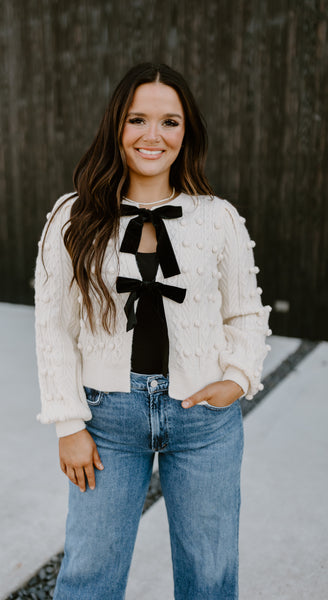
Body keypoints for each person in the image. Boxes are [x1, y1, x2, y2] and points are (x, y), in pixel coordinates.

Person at [34, 62, 271, 600]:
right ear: (116, 125)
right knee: (88, 576)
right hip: (106, 422)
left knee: (210, 577)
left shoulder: (218, 217)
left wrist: (238, 378)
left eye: (170, 122)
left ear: (186, 133)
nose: (153, 136)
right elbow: (53, 327)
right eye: (138, 119)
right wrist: (67, 422)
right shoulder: (72, 217)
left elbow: (246, 312)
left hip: (204, 422)